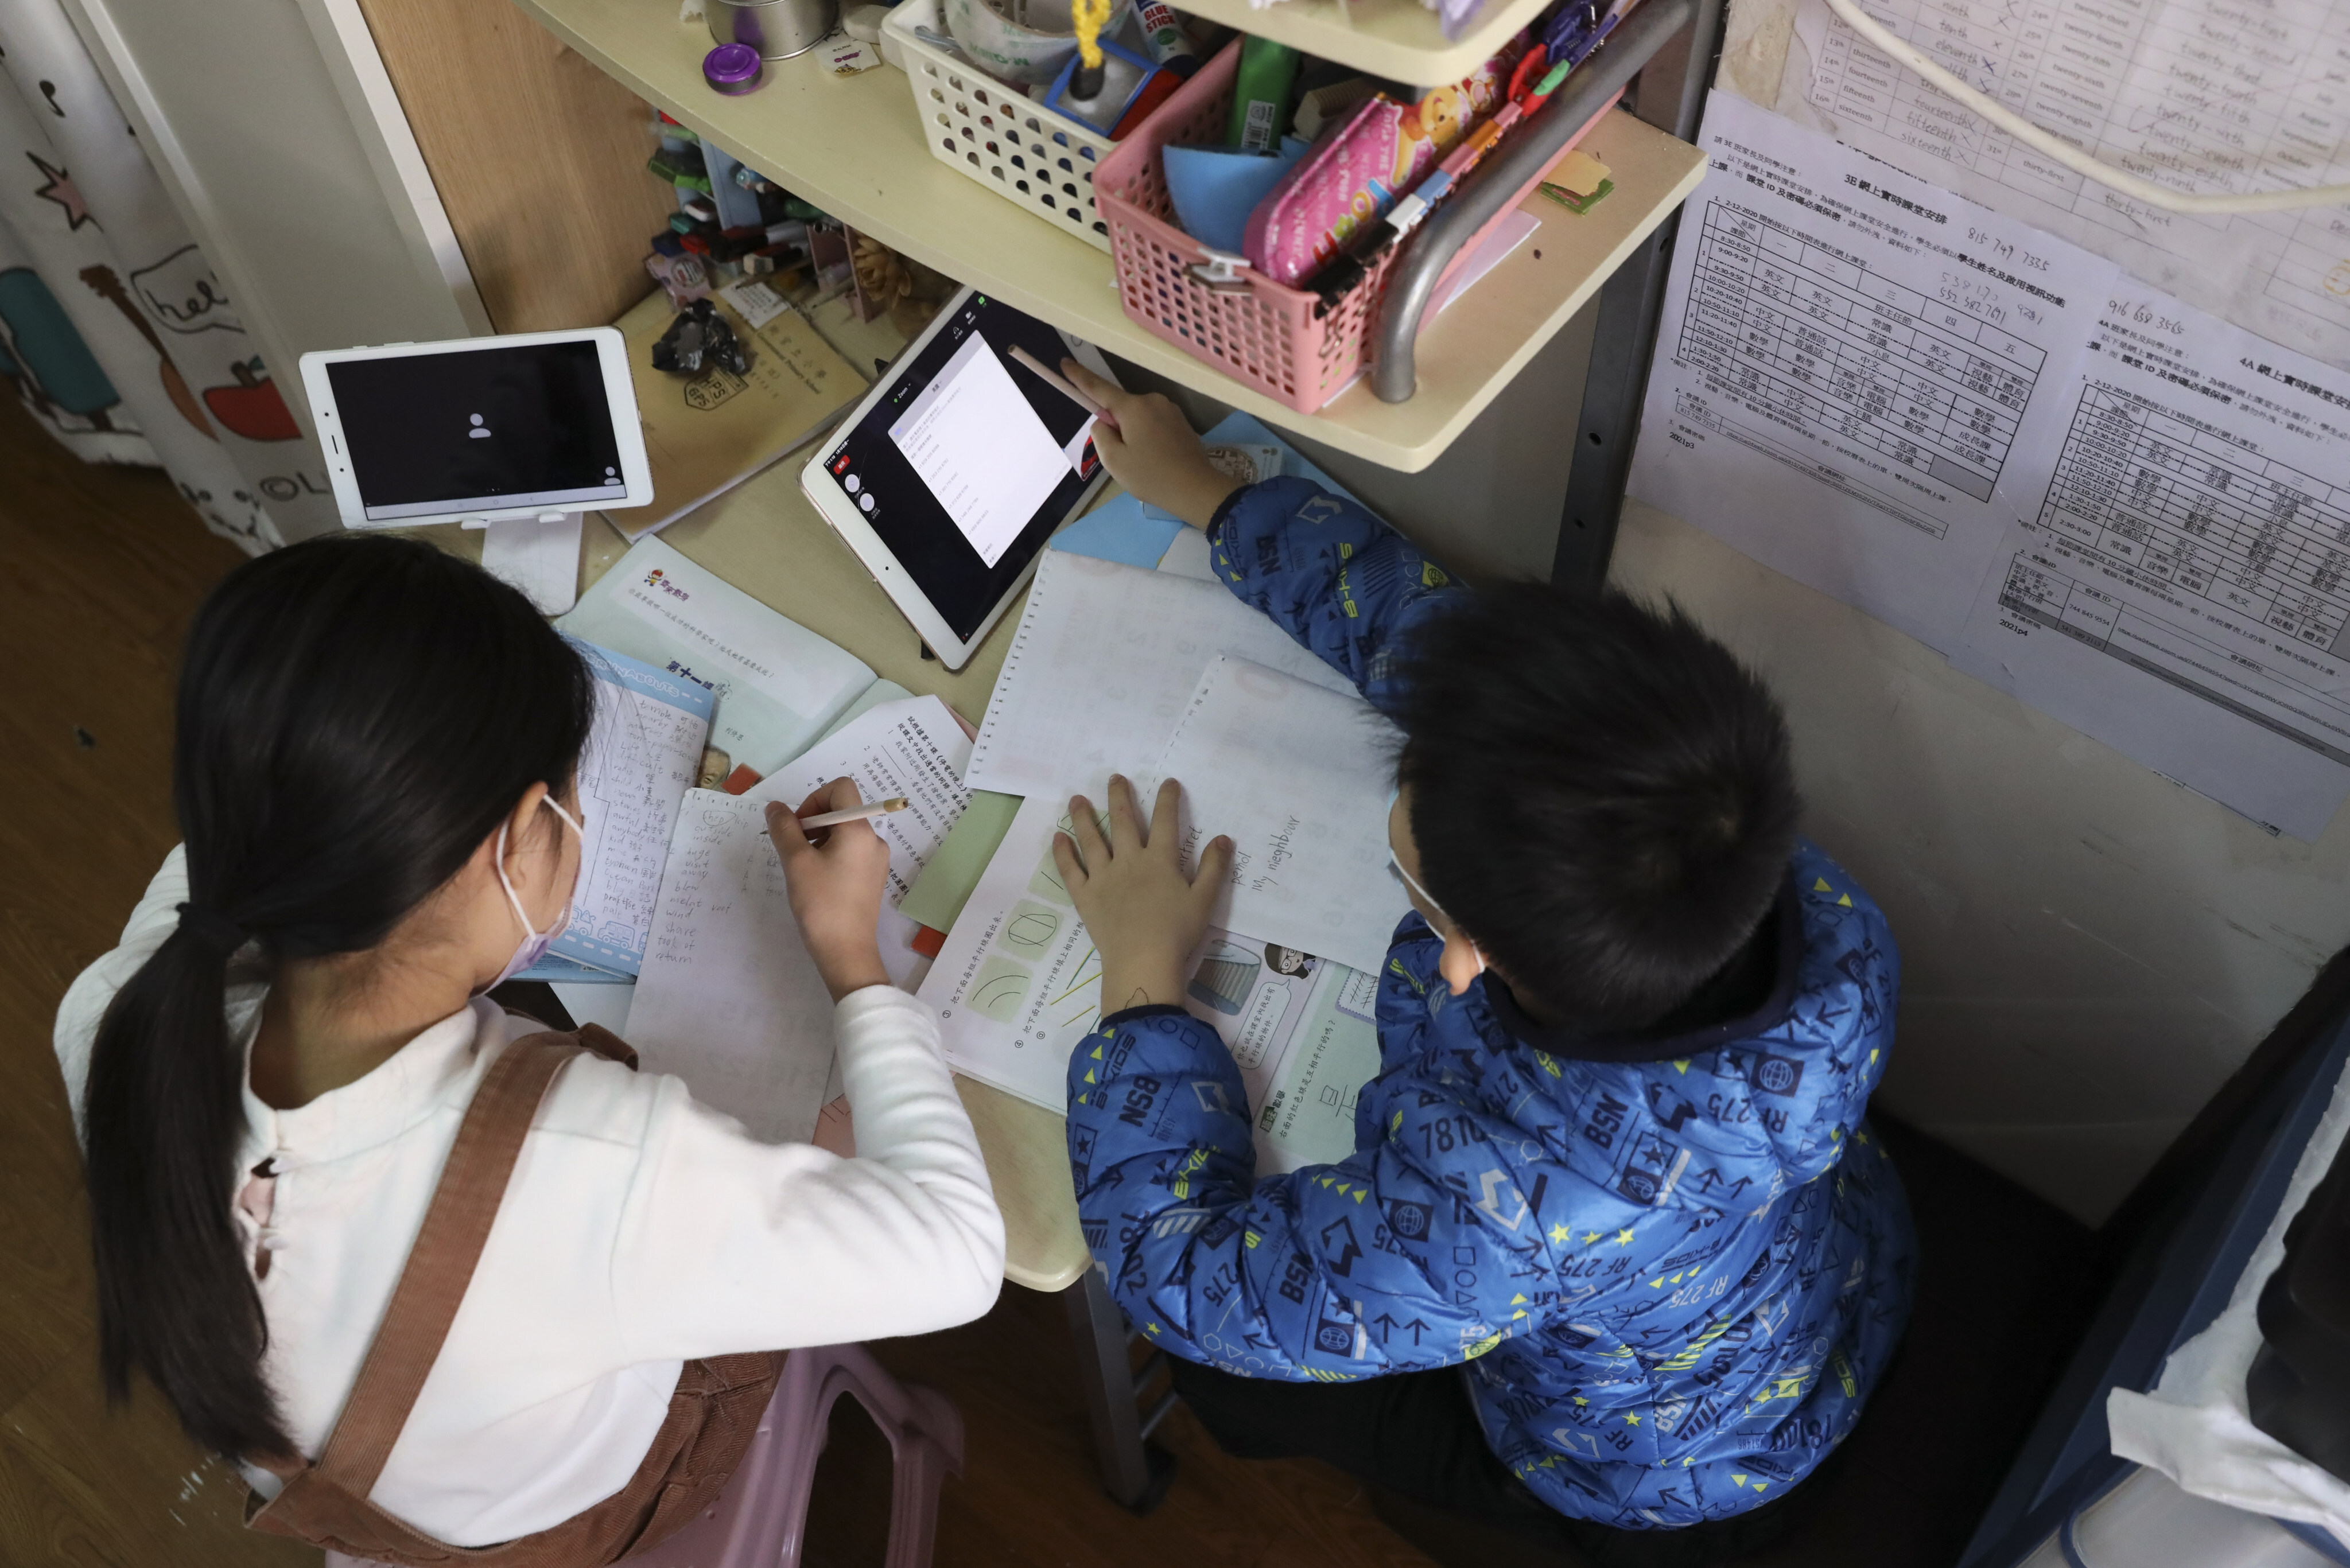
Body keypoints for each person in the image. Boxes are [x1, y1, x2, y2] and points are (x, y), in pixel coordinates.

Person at [1048, 364, 1914, 1566]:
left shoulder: (1486, 1221)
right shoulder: (1797, 896)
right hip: (1833, 1266)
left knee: (1229, 1376)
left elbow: (1175, 1271)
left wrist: (1142, 986)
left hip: (1651, 1467)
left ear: (1465, 952)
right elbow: (1452, 652)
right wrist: (1212, 500)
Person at [54, 536, 1003, 1563]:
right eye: (570, 796)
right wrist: (853, 959)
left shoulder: (114, 1012)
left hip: (374, 1485)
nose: (584, 816)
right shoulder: (592, 1160)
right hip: (581, 1496)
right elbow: (957, 1251)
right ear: (515, 838)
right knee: (822, 1130)